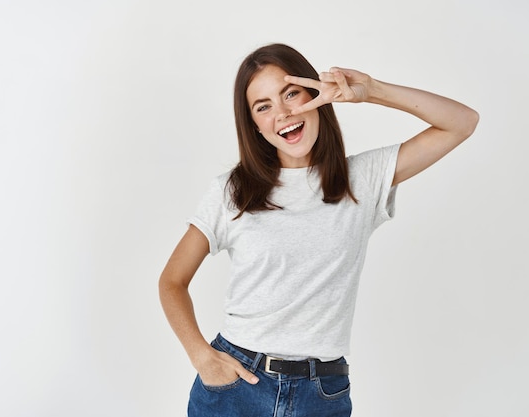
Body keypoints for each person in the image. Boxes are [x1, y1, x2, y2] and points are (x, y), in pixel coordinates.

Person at [158, 43, 479, 417]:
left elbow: (462, 122)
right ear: (254, 125)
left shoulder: (362, 180)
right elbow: (172, 281)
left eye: (291, 93)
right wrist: (202, 358)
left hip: (322, 395)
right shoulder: (234, 191)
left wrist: (371, 90)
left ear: (315, 95)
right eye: (264, 107)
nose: (283, 114)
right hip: (235, 387)